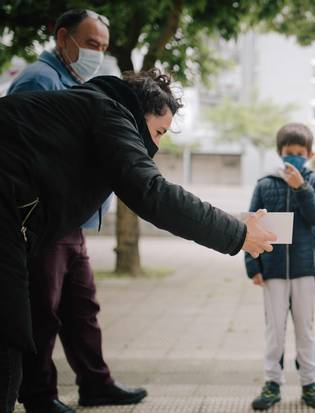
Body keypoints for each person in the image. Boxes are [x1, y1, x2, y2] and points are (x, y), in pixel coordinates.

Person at [0, 69, 276, 413]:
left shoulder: (85, 107)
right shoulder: (109, 113)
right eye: (158, 131)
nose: (156, 146)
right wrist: (238, 233)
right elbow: (151, 192)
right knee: (9, 337)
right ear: (140, 111)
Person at [6, 9, 141, 413]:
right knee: (42, 311)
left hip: (71, 223)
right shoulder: (38, 80)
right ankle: (39, 395)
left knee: (82, 308)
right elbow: (20, 152)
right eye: (90, 44)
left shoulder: (77, 81)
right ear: (63, 38)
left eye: (102, 46)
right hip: (45, 222)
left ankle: (96, 383)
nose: (96, 53)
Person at [245, 123, 315, 411]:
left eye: (299, 152)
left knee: (305, 328)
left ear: (309, 153)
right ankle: (272, 382)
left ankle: (309, 381)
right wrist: (252, 265)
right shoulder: (265, 184)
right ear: (279, 152)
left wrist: (302, 188)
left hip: (305, 270)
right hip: (272, 269)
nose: (293, 156)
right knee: (275, 329)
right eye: (288, 152)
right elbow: (252, 225)